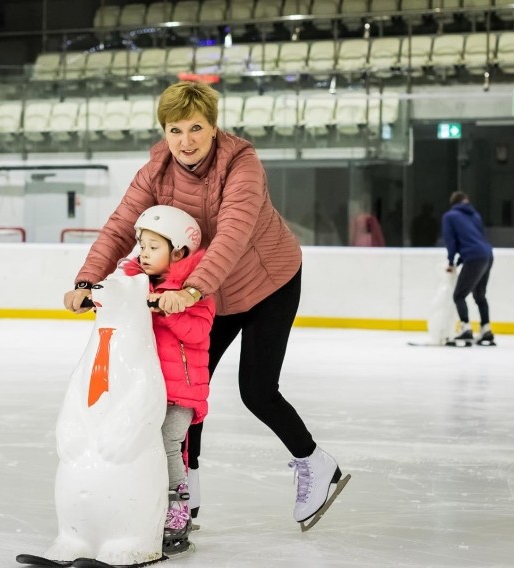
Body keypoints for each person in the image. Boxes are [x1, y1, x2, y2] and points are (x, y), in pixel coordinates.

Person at [63, 80, 346, 528]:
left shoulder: (242, 165)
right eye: (175, 130)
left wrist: (191, 291)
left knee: (257, 390)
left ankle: (314, 462)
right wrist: (87, 278)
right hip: (209, 294)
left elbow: (231, 236)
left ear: (214, 128)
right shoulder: (156, 169)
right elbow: (121, 225)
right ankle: (185, 496)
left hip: (267, 284)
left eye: (196, 128)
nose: (186, 141)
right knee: (183, 396)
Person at [120, 204, 215, 551]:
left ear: (178, 251)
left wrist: (170, 309)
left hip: (182, 391)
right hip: (145, 387)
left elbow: (198, 333)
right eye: (142, 246)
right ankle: (140, 504)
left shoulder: (196, 292)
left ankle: (179, 507)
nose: (144, 254)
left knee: (168, 441)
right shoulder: (136, 284)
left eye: (153, 247)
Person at [442, 191, 494, 345]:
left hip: (474, 256)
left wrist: (451, 261)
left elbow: (451, 240)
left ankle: (466, 329)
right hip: (488, 254)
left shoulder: (450, 217)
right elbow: (476, 237)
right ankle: (486, 330)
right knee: (479, 295)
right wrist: (460, 260)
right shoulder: (475, 215)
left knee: (459, 295)